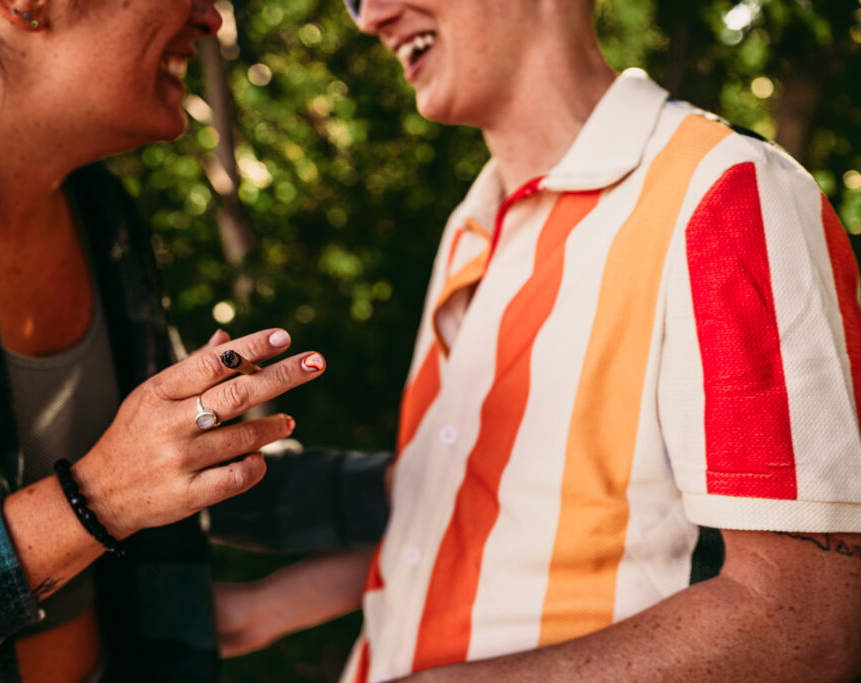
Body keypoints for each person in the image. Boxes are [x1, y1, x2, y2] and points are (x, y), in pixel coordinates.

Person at [214, 0, 861, 680]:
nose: (369, 15)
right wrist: (247, 609)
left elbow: (809, 620)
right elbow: (470, 521)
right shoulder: (473, 224)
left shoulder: (722, 191)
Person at [0, 0, 376, 680]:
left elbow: (177, 470)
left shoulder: (102, 212)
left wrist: (417, 486)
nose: (211, 18)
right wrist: (95, 498)